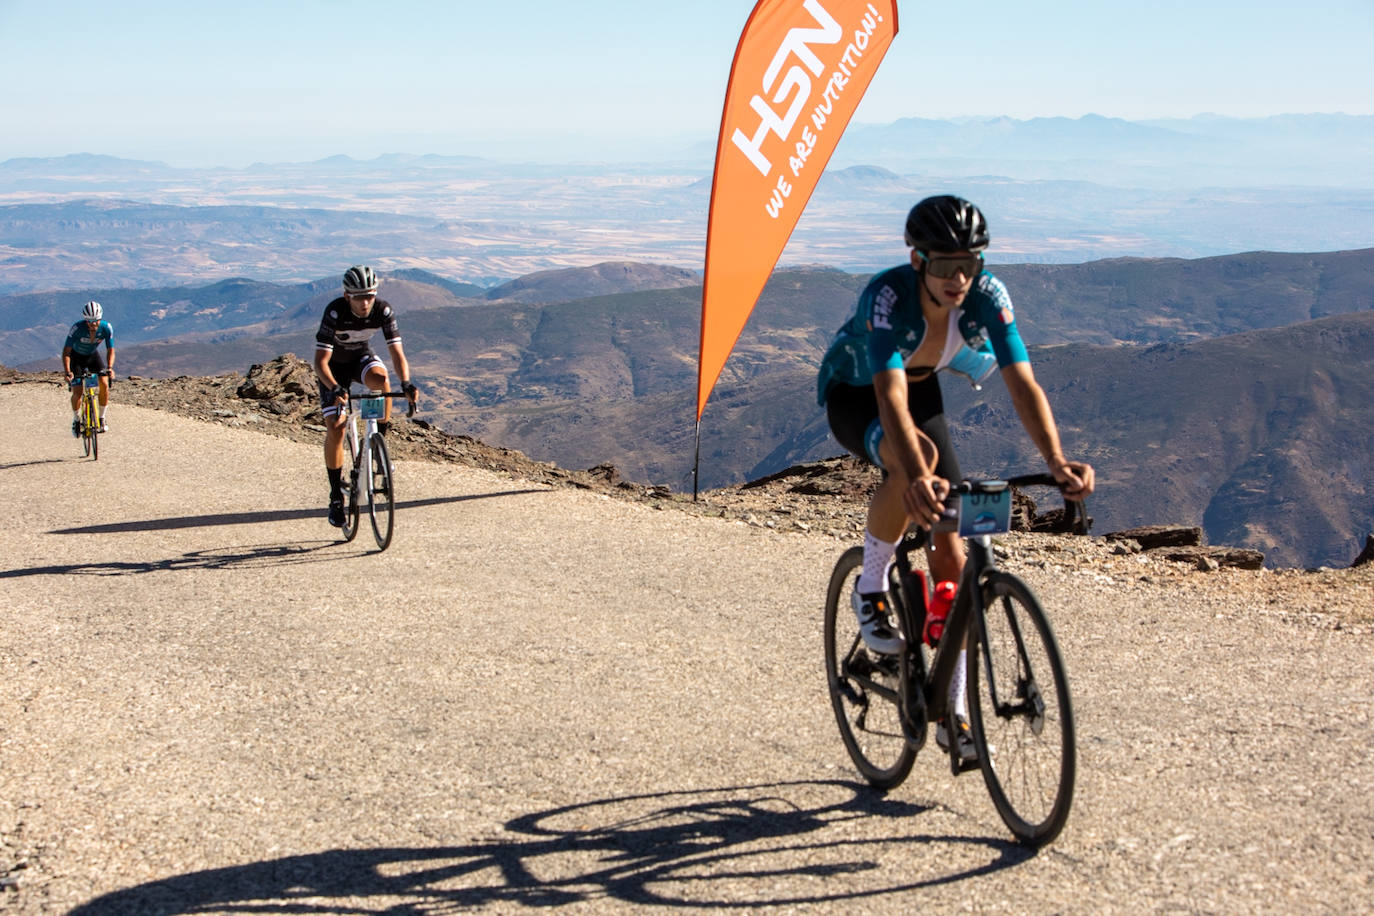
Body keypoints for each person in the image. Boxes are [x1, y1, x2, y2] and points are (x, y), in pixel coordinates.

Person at [816, 195, 1095, 762]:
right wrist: (915, 473)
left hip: (922, 388)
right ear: (917, 260)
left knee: (955, 550)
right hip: (858, 393)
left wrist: (1058, 461)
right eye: (945, 266)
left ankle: (954, 710)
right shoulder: (889, 295)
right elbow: (889, 395)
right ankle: (870, 588)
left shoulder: (988, 296)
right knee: (912, 458)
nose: (960, 278)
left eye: (971, 264)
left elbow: (1022, 383)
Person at [313, 265, 418, 527]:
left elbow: (397, 353)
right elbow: (320, 362)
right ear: (347, 296)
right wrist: (336, 388)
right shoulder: (335, 311)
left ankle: (379, 442)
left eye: (369, 295)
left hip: (360, 357)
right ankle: (336, 495)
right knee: (336, 428)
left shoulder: (383, 310)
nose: (365, 302)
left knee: (382, 380)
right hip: (333, 369)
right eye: (359, 297)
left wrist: (405, 382)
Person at [61, 300, 116, 434]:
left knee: (104, 383)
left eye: (96, 321)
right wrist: (68, 371)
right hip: (76, 358)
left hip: (92, 356)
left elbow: (111, 350)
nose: (92, 324)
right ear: (85, 320)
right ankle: (76, 420)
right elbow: (66, 352)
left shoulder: (106, 328)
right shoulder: (77, 328)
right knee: (78, 391)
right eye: (89, 321)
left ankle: (102, 418)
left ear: (100, 318)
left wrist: (109, 367)